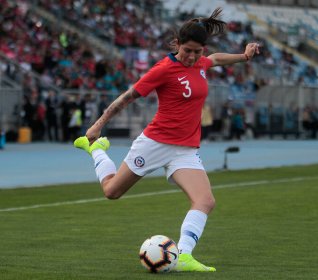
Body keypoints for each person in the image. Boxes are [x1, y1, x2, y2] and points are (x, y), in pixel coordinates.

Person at [74, 8, 259, 272]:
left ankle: (183, 256)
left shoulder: (202, 62)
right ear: (177, 45)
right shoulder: (163, 69)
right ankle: (95, 149)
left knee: (205, 201)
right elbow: (127, 97)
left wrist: (244, 56)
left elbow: (215, 58)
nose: (193, 57)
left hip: (185, 150)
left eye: (198, 52)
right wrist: (98, 125)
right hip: (154, 144)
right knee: (111, 192)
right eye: (188, 51)